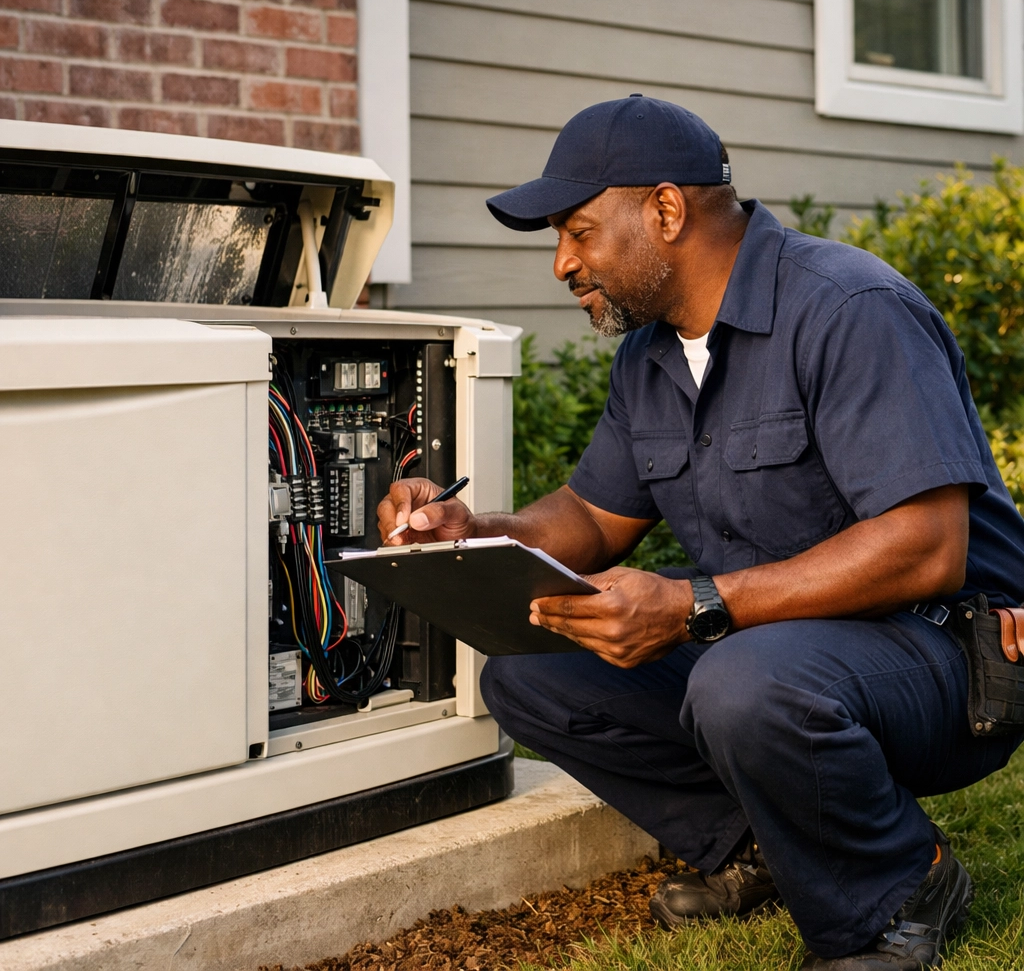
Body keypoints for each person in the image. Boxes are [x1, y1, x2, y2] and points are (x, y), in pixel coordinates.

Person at [377, 97, 1024, 969]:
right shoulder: (649, 358)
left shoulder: (849, 307)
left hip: (950, 659)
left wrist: (694, 606)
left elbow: (927, 546)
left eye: (577, 230)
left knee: (739, 682)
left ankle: (901, 887)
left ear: (668, 211)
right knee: (535, 672)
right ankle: (766, 845)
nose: (563, 262)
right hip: (771, 645)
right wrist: (470, 528)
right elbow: (588, 518)